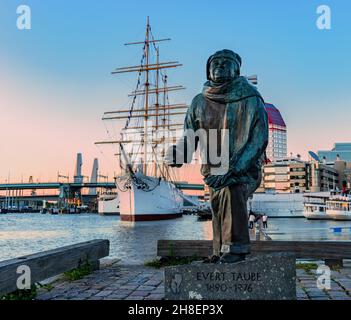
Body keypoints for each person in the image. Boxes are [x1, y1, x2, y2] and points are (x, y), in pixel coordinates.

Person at [165, 49, 268, 263]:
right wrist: (178, 154)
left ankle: (237, 249)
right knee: (217, 205)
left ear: (236, 70)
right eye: (215, 63)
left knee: (232, 189)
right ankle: (220, 250)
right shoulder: (198, 102)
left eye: (225, 63)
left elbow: (258, 140)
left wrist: (235, 168)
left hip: (245, 168)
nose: (219, 66)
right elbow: (189, 138)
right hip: (214, 169)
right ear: (208, 71)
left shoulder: (251, 98)